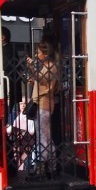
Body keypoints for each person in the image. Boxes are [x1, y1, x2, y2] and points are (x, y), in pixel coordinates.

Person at [26, 41, 59, 179]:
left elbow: (43, 80)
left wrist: (32, 68)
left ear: (44, 54)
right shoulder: (47, 66)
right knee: (46, 135)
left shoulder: (51, 66)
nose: (36, 54)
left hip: (44, 103)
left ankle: (41, 168)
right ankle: (52, 166)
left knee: (42, 136)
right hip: (42, 102)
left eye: (38, 52)